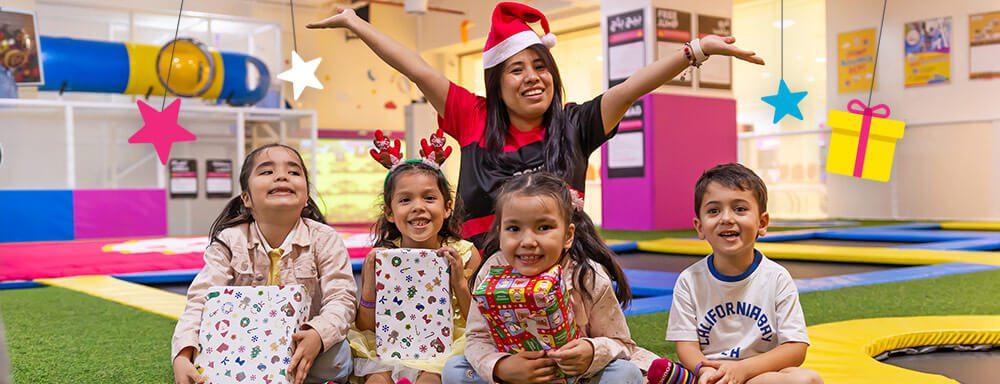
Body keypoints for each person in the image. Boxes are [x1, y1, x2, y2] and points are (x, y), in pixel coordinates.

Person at [307, 2, 765, 248]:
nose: (532, 78)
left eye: (540, 66)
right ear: (496, 80)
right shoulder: (472, 115)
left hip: (562, 268)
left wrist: (698, 49)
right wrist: (355, 23)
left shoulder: (577, 123)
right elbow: (416, 67)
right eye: (516, 69)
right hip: (479, 273)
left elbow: (632, 87)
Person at [443, 172, 658, 384]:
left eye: (544, 228)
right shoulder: (492, 269)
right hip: (517, 377)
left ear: (568, 236)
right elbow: (477, 338)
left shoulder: (586, 275)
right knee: (454, 370)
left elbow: (621, 343)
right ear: (500, 234)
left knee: (625, 374)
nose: (527, 241)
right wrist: (501, 367)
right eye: (514, 229)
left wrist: (591, 352)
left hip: (578, 377)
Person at [171, 144, 356, 384]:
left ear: (306, 197)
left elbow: (342, 298)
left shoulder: (324, 238)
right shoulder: (229, 241)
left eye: (294, 172)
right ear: (246, 197)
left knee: (337, 359)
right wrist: (183, 355)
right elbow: (200, 301)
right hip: (241, 344)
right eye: (267, 172)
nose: (282, 176)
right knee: (203, 354)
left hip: (301, 343)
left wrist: (317, 335)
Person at [667, 163, 823, 384]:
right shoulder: (689, 281)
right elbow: (686, 346)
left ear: (762, 222)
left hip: (759, 372)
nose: (726, 218)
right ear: (699, 226)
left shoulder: (776, 278)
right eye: (713, 211)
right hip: (711, 374)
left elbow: (796, 349)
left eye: (740, 209)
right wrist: (703, 370)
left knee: (809, 379)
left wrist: (743, 369)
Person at [349, 131, 482, 384]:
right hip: (392, 346)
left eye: (429, 198)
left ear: (447, 207)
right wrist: (368, 283)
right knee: (377, 379)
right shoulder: (384, 256)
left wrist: (459, 284)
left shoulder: (464, 253)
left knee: (430, 379)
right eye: (405, 200)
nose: (418, 206)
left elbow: (479, 322)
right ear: (389, 212)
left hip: (449, 345)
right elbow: (366, 328)